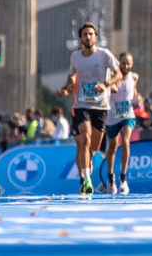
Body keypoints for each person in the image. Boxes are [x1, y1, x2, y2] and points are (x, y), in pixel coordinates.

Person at [56, 22, 120, 195]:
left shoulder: (104, 55)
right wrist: (67, 87)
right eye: (85, 34)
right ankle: (85, 180)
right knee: (84, 139)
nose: (88, 37)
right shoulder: (75, 57)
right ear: (81, 38)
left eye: (91, 34)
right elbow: (71, 77)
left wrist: (106, 84)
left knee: (94, 146)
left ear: (96, 37)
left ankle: (88, 161)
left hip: (101, 106)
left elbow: (119, 74)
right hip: (81, 105)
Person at [104, 51, 139, 195]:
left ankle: (123, 178)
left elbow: (134, 93)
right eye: (123, 63)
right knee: (112, 147)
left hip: (128, 115)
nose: (125, 66)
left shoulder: (134, 77)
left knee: (125, 142)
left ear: (132, 64)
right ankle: (110, 176)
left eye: (128, 64)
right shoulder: (113, 78)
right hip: (113, 117)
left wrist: (137, 99)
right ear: (119, 63)